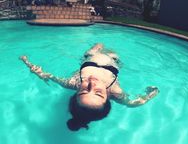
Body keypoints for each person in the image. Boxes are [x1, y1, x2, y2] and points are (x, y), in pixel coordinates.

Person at [20, 43, 159, 131]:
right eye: (98, 92)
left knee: (94, 49)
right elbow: (133, 103)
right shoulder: (116, 92)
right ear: (108, 98)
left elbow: (46, 75)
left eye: (84, 90)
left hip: (89, 58)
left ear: (76, 92)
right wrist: (152, 93)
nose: (92, 83)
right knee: (113, 54)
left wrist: (28, 63)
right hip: (113, 61)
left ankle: (92, 51)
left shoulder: (72, 83)